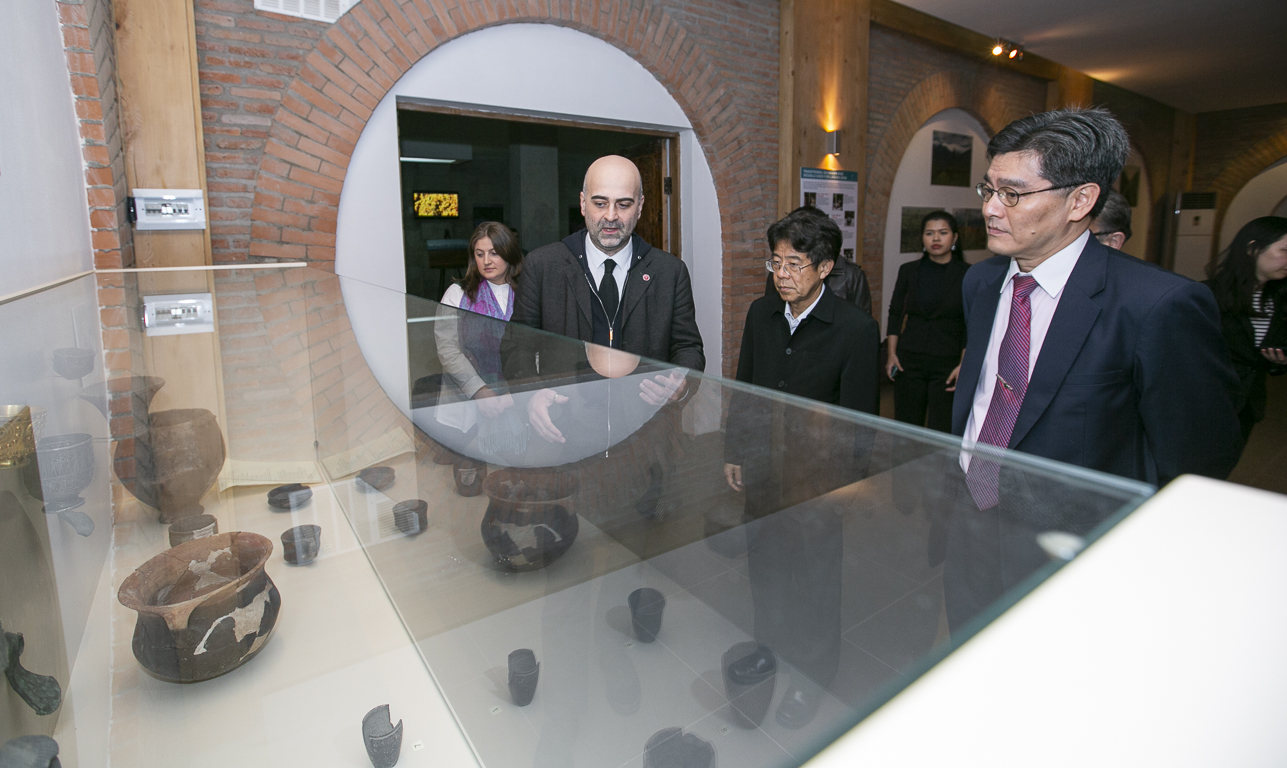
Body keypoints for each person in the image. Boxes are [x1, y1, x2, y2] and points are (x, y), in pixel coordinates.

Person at [942, 106, 1242, 631]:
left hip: (1074, 546)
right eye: (988, 189)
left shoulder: (1157, 305)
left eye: (1013, 194)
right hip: (970, 520)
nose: (990, 208)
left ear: (1080, 200)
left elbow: (1197, 455)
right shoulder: (981, 283)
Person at [723, 206, 879, 730]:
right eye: (776, 262)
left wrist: (847, 484)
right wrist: (735, 449)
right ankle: (767, 649)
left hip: (818, 480)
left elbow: (860, 420)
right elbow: (745, 386)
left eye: (795, 264)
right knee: (765, 566)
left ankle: (814, 674)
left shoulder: (854, 328)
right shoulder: (760, 314)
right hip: (765, 468)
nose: (783, 274)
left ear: (826, 267)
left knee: (815, 578)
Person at [502, 154, 704, 439]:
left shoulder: (670, 272)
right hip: (564, 431)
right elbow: (516, 347)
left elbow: (688, 347)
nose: (611, 216)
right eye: (600, 203)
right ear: (583, 203)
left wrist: (681, 383)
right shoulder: (543, 266)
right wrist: (530, 395)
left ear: (640, 207)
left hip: (645, 434)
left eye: (623, 204)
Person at [433, 222, 525, 490]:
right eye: (480, 253)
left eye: (494, 253)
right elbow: (447, 349)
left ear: (509, 253)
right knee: (470, 483)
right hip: (467, 401)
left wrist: (517, 392)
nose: (486, 261)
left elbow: (537, 347)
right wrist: (479, 391)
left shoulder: (526, 293)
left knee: (517, 477)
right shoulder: (457, 293)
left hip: (514, 397)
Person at [885, 210, 970, 433]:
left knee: (941, 429)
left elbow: (970, 324)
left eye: (943, 232)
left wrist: (963, 364)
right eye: (929, 233)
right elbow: (895, 312)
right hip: (909, 359)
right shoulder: (908, 271)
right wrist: (891, 353)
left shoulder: (968, 274)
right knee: (906, 427)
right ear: (922, 238)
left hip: (948, 362)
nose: (936, 238)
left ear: (955, 237)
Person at [1205, 216, 1287, 442]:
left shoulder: (1279, 299)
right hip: (1207, 404)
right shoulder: (1209, 295)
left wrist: (1280, 362)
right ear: (1253, 249)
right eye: (1284, 251)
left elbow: (1260, 355)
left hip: (1247, 407)